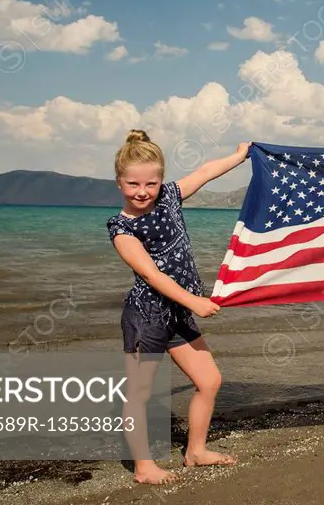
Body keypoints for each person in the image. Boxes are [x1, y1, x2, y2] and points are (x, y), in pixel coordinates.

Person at [107, 129, 250, 484]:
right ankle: (143, 467)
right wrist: (195, 302)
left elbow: (204, 173)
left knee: (210, 380)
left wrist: (239, 156)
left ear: (161, 181)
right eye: (133, 184)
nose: (143, 192)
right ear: (119, 182)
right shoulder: (122, 229)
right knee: (140, 394)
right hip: (147, 318)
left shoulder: (170, 197)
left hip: (177, 316)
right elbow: (154, 276)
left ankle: (195, 451)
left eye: (151, 183)